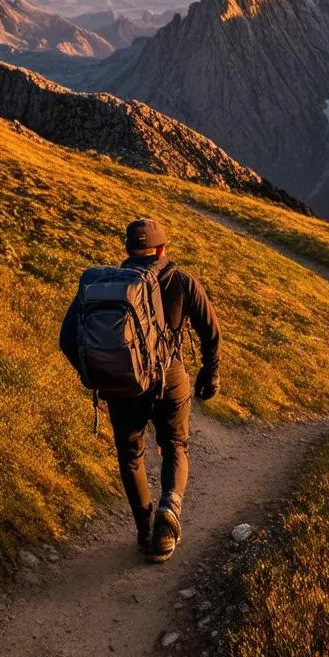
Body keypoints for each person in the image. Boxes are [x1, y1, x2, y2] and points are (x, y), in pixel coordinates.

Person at [59, 218, 221, 562]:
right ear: (162, 249)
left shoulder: (104, 285)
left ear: (128, 249)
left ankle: (145, 528)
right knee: (175, 444)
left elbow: (67, 338)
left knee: (131, 456)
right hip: (170, 379)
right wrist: (210, 374)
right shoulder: (182, 280)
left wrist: (98, 374)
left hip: (123, 385)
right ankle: (169, 511)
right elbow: (210, 331)